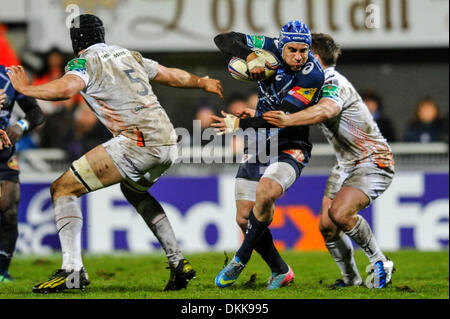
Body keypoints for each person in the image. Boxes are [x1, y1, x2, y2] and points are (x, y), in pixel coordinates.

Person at [6, 14, 223, 293]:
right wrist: (202, 82)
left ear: (76, 41)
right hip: (169, 140)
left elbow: (66, 88)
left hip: (137, 141)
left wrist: (26, 88)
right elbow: (172, 75)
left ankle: (73, 271)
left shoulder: (84, 61)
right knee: (135, 192)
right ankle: (178, 262)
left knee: (62, 189)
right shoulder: (129, 55)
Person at [263, 33, 395, 288]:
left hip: (372, 159)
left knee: (341, 213)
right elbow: (288, 107)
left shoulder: (334, 82)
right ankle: (351, 279)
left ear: (314, 57)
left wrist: (288, 120)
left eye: (304, 53)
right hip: (345, 164)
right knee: (327, 226)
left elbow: (327, 109)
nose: (298, 58)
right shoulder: (311, 85)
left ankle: (380, 262)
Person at [211, 20, 324, 290]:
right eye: (293, 50)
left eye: (304, 50)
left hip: (291, 143)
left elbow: (279, 118)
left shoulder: (312, 75)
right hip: (260, 143)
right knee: (242, 218)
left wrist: (237, 125)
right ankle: (280, 270)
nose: (299, 56)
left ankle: (240, 259)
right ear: (282, 45)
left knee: (266, 192)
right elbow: (223, 39)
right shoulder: (270, 47)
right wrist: (250, 57)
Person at [0, 65, 45, 283]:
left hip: (3, 153)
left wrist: (20, 125)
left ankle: (1, 272)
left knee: (9, 211)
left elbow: (36, 113)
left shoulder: (9, 77)